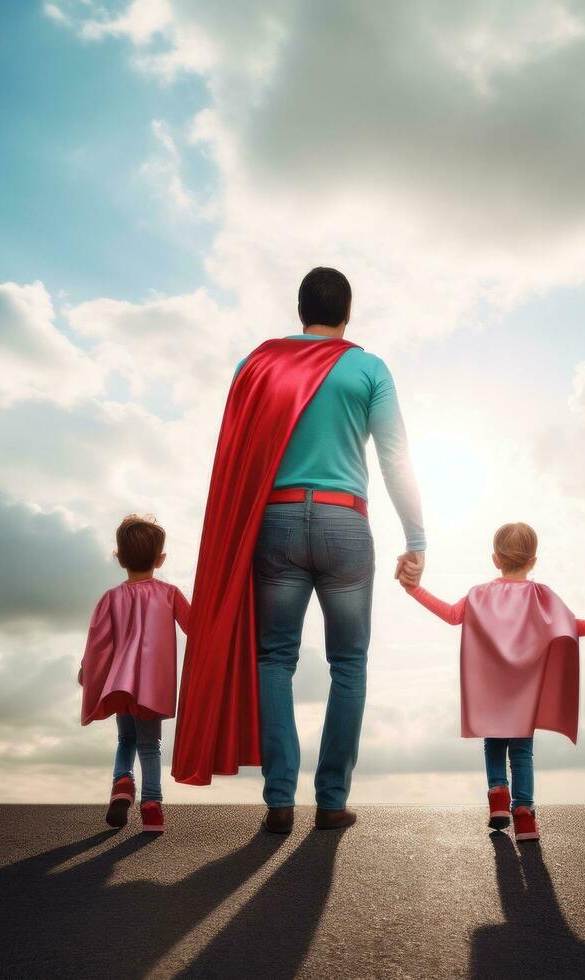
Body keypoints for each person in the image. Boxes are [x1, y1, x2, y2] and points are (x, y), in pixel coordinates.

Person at [172, 267, 425, 836]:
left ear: (299, 310)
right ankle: (331, 801)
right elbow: (394, 458)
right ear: (348, 313)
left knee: (274, 660)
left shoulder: (256, 364)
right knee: (349, 663)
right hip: (345, 523)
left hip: (276, 523)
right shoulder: (368, 368)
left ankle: (279, 802)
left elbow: (235, 452)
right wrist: (417, 540)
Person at [404, 522, 585, 841]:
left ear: (495, 559)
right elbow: (571, 627)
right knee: (522, 751)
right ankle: (524, 814)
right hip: (524, 692)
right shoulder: (541, 597)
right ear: (533, 561)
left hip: (489, 690)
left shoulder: (479, 595)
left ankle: (498, 795)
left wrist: (414, 589)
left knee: (493, 743)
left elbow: (450, 614)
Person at [79, 515, 191, 833]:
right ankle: (152, 806)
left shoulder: (110, 598)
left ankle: (122, 783)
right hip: (152, 687)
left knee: (125, 739)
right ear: (161, 559)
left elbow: (98, 641)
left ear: (120, 558)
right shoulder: (170, 594)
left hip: (119, 685)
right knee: (149, 744)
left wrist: (86, 669)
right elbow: (196, 627)